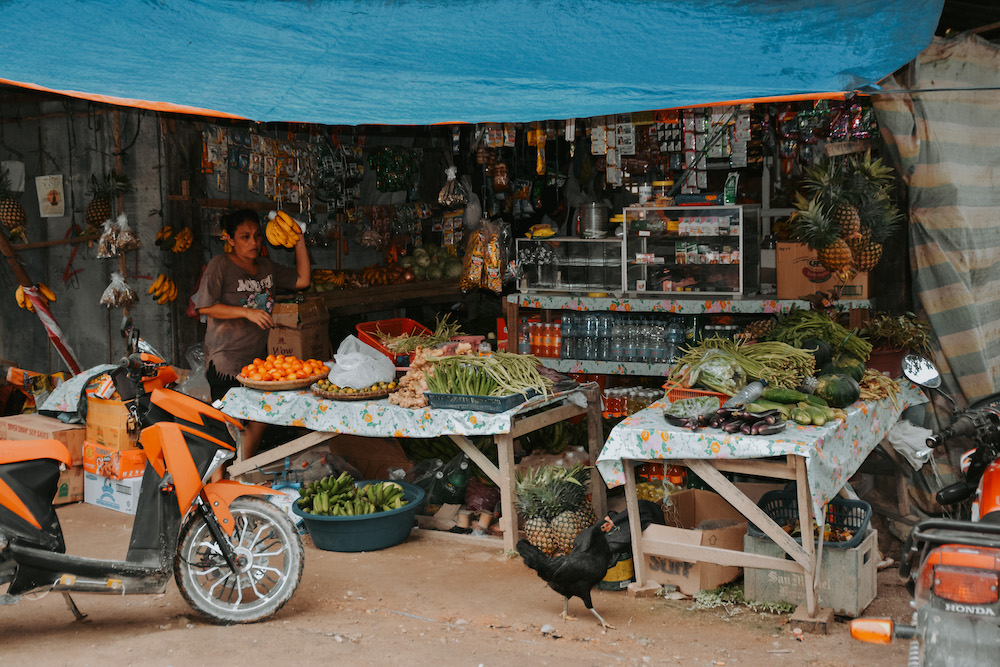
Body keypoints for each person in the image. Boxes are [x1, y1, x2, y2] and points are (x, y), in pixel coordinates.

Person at [194, 209, 310, 457]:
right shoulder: (220, 266)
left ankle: (240, 469)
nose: (254, 243)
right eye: (245, 237)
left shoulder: (267, 267)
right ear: (231, 239)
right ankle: (227, 476)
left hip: (256, 364)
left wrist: (299, 239)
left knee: (261, 416)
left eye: (257, 236)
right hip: (225, 361)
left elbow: (302, 280)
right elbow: (204, 306)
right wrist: (247, 313)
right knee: (229, 424)